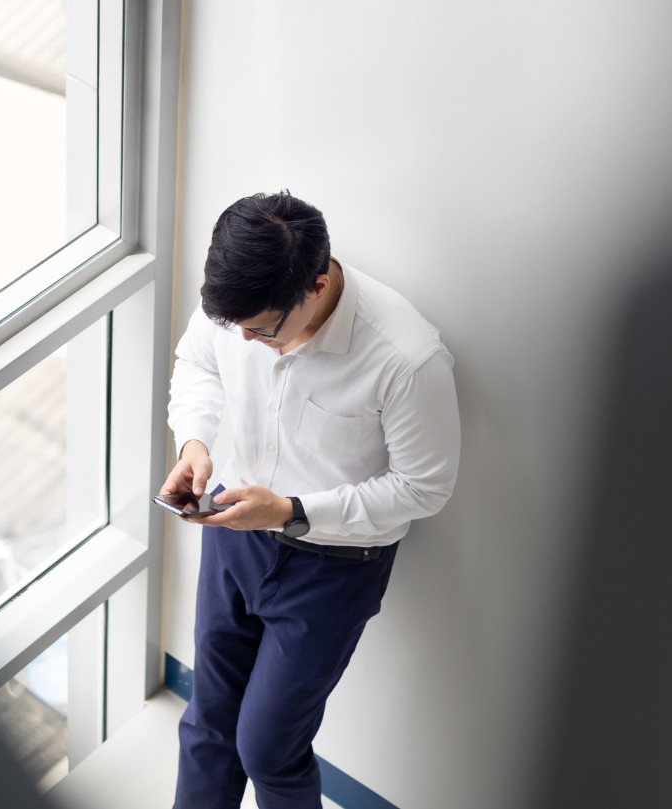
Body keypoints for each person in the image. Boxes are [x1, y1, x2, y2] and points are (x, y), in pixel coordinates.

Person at [165, 191, 461, 808]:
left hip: (333, 569)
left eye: (261, 330)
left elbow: (423, 486)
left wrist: (292, 511)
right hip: (231, 532)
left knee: (269, 748)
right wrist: (194, 441)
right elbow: (197, 363)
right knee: (207, 721)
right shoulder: (238, 304)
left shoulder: (406, 358)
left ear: (318, 282)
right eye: (233, 327)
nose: (243, 342)